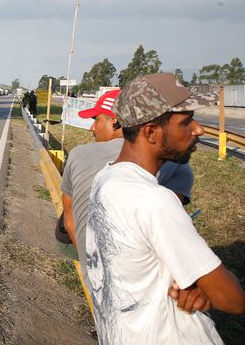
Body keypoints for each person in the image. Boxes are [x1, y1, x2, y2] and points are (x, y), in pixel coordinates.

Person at [85, 73, 244, 343]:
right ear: (151, 132)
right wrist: (209, 288)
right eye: (185, 122)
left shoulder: (105, 178)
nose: (198, 130)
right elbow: (233, 300)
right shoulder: (155, 200)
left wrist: (199, 285)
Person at [61, 89, 195, 285]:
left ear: (115, 121)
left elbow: (69, 222)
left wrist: (90, 264)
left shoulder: (78, 154)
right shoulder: (176, 164)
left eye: (96, 119)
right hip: (149, 283)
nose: (92, 127)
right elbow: (172, 234)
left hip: (94, 279)